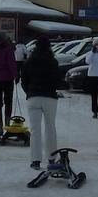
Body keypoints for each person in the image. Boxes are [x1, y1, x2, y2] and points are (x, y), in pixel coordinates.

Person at [21, 35, 61, 170]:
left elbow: (24, 81)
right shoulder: (53, 61)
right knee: (50, 128)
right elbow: (57, 80)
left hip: (33, 97)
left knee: (35, 130)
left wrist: (29, 92)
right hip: (50, 97)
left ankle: (35, 160)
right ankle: (51, 158)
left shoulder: (29, 61)